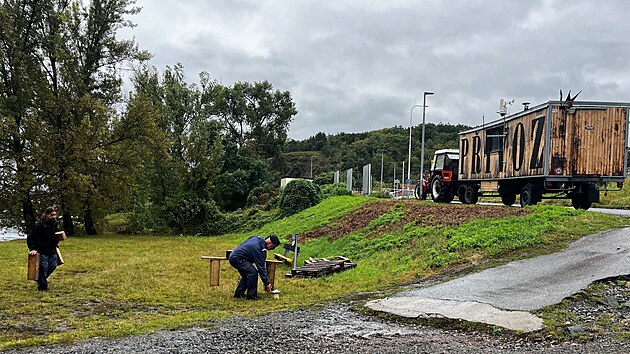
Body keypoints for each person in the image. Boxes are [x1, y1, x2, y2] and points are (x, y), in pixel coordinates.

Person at [229, 234, 281, 300]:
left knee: (246, 275)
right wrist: (267, 283)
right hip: (238, 259)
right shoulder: (258, 248)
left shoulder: (258, 239)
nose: (273, 249)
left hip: (235, 256)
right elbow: (261, 267)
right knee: (253, 273)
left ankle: (239, 294)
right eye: (273, 247)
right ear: (269, 242)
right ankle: (252, 296)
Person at [27, 207, 59, 291]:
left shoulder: (54, 223)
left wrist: (56, 243)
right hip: (42, 250)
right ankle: (42, 287)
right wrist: (32, 248)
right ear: (47, 215)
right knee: (43, 268)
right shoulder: (39, 225)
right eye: (52, 215)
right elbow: (31, 237)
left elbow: (54, 234)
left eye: (55, 215)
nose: (54, 217)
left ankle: (39, 280)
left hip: (52, 249)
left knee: (53, 266)